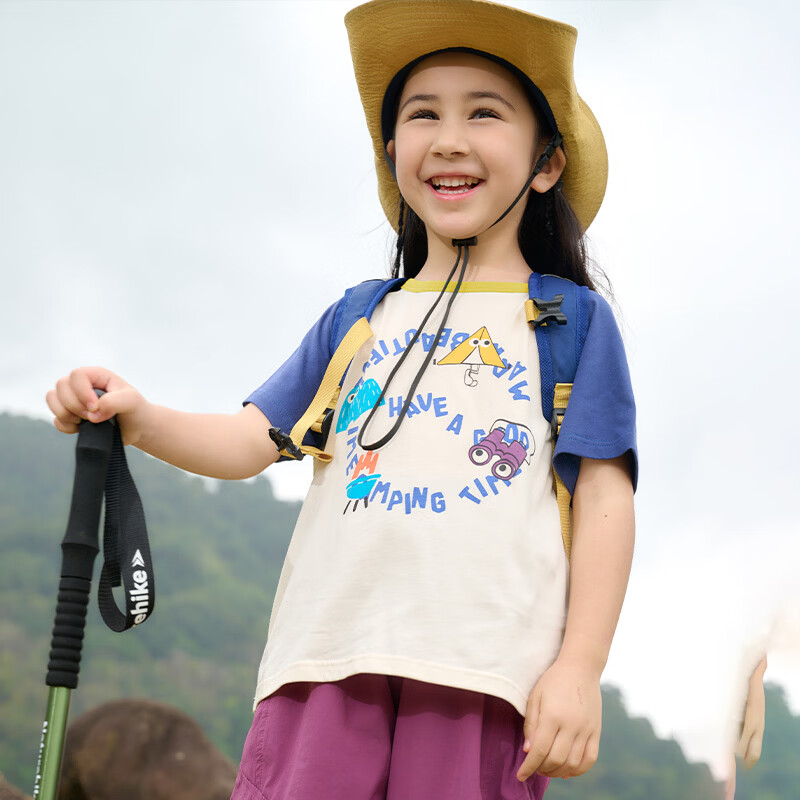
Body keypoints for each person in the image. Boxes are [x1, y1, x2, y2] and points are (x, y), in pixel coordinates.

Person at [46, 1, 637, 797]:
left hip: (482, 673)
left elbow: (604, 494)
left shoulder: (570, 321)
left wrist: (579, 667)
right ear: (394, 152)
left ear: (546, 163)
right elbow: (250, 439)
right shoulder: (359, 317)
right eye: (423, 114)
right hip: (320, 662)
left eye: (484, 113)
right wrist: (137, 416)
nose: (450, 137)